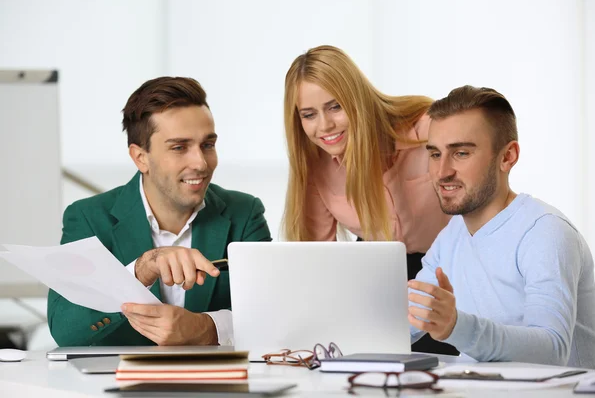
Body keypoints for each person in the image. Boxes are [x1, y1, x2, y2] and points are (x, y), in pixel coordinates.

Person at [47, 77, 271, 346]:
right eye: (179, 147)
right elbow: (65, 330)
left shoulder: (244, 213)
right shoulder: (87, 218)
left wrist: (207, 328)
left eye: (208, 145)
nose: (200, 163)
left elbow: (274, 315)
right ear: (140, 157)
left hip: (218, 384)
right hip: (117, 383)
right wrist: (140, 271)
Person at [408, 85, 595, 368]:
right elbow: (408, 320)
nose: (442, 171)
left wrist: (457, 326)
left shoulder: (545, 232)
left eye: (461, 153)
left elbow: (552, 349)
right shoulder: (452, 237)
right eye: (435, 154)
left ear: (507, 157)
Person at [282, 45, 455, 354]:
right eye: (309, 115)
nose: (324, 126)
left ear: (357, 98)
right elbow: (319, 262)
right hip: (380, 278)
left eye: (335, 107)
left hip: (453, 270)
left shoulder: (427, 128)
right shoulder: (315, 169)